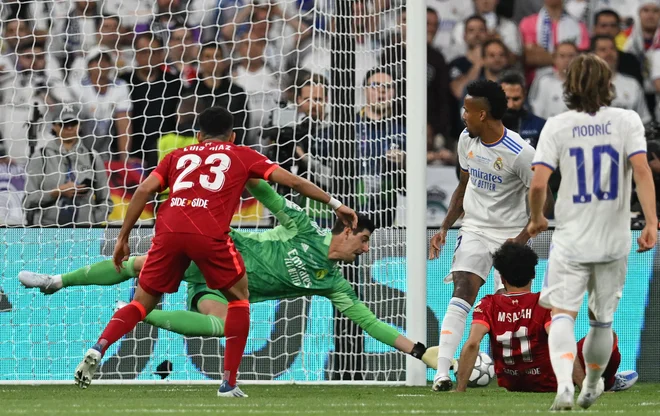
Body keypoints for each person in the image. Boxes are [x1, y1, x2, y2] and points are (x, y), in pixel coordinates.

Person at [72, 107, 358, 397]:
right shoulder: (241, 153)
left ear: (197, 135)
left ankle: (99, 346)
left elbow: (144, 190)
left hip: (168, 231)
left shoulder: (176, 156)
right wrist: (336, 204)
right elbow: (293, 182)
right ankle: (228, 382)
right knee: (239, 301)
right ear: (233, 135)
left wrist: (123, 236)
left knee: (142, 303)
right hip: (208, 234)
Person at [20, 180, 438, 371]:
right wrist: (247, 169)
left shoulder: (333, 282)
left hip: (218, 286)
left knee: (221, 324)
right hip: (214, 251)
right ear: (346, 230)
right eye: (363, 240)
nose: (365, 250)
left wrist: (420, 351)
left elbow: (371, 323)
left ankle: (138, 313)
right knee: (135, 264)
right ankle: (57, 281)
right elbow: (269, 194)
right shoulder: (306, 228)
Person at [527, 54, 657, 410]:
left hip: (571, 237)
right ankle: (595, 382)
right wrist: (650, 221)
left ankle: (565, 387)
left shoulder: (557, 124)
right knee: (602, 321)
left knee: (562, 315)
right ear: (609, 83)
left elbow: (538, 183)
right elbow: (642, 170)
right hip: (613, 238)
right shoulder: (627, 120)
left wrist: (537, 217)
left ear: (568, 86)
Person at [428, 79, 549, 392]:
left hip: (510, 235)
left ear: (483, 114)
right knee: (463, 287)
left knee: (509, 306)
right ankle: (441, 373)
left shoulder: (520, 153)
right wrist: (444, 226)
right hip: (475, 228)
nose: (463, 115)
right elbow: (463, 185)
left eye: (468, 109)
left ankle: (520, 375)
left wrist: (523, 236)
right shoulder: (466, 140)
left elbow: (542, 193)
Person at [456, 242, 637, 394]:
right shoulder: (545, 302)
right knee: (607, 336)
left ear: (502, 278)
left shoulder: (488, 303)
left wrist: (460, 389)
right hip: (549, 382)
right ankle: (609, 381)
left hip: (511, 383)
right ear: (534, 274)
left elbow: (473, 343)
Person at [23, 103, 112, 226]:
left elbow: (105, 200)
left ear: (80, 125)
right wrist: (56, 192)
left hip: (85, 232)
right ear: (54, 126)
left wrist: (93, 221)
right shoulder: (41, 156)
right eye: (64, 124)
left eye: (73, 123)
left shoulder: (93, 157)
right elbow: (27, 201)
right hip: (48, 231)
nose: (69, 128)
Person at [591, 35, 651, 124]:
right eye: (603, 50)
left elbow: (644, 120)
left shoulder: (632, 84)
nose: (609, 53)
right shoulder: (583, 85)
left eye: (612, 49)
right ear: (593, 55)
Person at [498, 70, 546, 148]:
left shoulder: (540, 126)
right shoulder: (486, 126)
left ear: (524, 96)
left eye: (516, 99)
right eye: (506, 99)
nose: (511, 105)